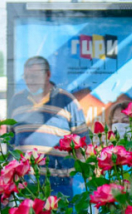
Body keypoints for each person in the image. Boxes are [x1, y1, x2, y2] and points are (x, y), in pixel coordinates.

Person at [8, 56, 89, 199]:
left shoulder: (67, 101)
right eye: (26, 76)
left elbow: (83, 146)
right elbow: (9, 141)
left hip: (59, 187)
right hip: (24, 187)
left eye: (34, 76)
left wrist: (82, 178)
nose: (30, 80)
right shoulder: (16, 101)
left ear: (48, 75)